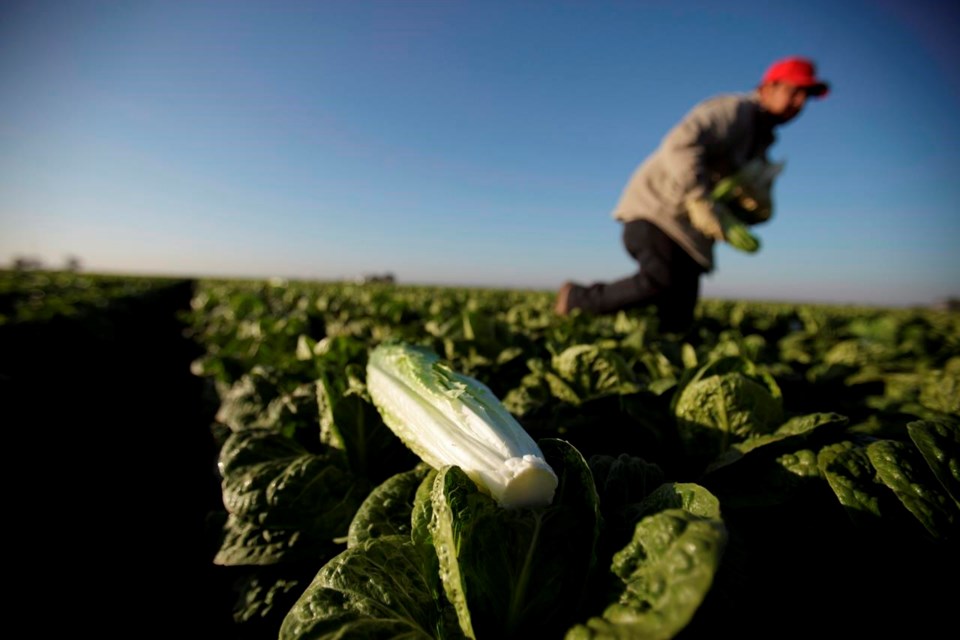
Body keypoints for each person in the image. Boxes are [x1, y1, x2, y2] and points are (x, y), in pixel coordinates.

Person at [554, 56, 830, 333]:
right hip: (659, 212)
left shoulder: (762, 140)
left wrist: (747, 209)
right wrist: (698, 197)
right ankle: (576, 300)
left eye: (806, 97)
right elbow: (681, 143)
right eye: (794, 92)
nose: (800, 104)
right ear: (769, 87)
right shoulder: (734, 111)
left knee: (678, 318)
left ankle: (655, 353)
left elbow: (728, 188)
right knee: (660, 279)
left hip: (692, 230)